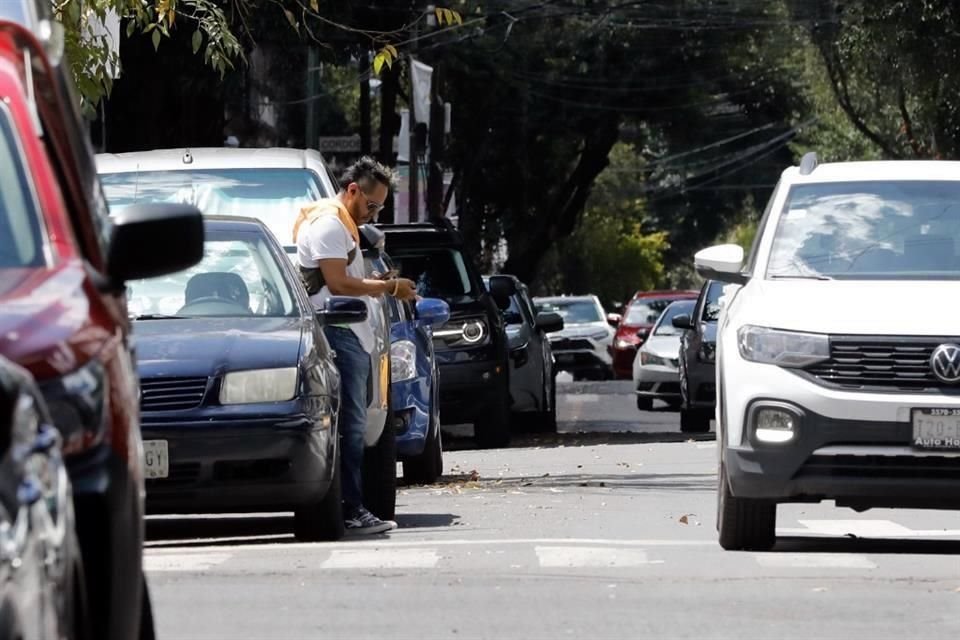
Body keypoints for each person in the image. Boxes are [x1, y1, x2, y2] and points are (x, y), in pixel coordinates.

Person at [293, 157, 417, 535]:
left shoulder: (341, 223)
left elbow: (344, 277)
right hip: (340, 332)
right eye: (371, 205)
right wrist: (389, 287)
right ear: (352, 190)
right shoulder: (330, 224)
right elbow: (339, 283)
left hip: (349, 332)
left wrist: (377, 281)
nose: (373, 214)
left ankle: (350, 507)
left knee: (353, 425)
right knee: (350, 426)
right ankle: (351, 509)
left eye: (379, 208)